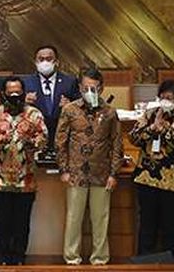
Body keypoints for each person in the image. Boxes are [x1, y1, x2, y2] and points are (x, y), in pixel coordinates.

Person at [128, 79, 174, 262]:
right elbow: (134, 138)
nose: (164, 101)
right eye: (162, 97)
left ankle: (169, 264)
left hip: (173, 183)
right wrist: (153, 128)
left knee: (170, 227)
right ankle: (144, 262)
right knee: (147, 225)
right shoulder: (150, 114)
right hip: (147, 179)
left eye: (169, 98)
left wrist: (166, 131)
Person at [56, 69, 122, 267]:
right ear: (79, 88)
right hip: (76, 173)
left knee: (100, 218)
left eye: (93, 88)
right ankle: (71, 257)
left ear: (101, 88)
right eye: (85, 88)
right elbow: (60, 141)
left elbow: (116, 144)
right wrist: (64, 169)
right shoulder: (69, 109)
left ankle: (100, 259)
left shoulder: (110, 112)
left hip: (101, 173)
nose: (89, 91)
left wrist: (113, 173)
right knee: (74, 217)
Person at [0, 75, 47, 266]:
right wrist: (1, 139)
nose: (15, 96)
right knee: (2, 222)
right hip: (0, 179)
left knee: (21, 222)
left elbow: (43, 140)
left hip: (25, 178)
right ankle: (2, 257)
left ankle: (19, 257)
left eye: (18, 92)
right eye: (11, 93)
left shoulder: (34, 114)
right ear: (3, 94)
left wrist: (31, 141)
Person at [21, 45, 80, 146]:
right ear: (36, 62)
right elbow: (14, 109)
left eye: (49, 59)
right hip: (34, 135)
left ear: (56, 62)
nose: (45, 62)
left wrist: (70, 105)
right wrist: (24, 102)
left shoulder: (70, 82)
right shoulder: (25, 82)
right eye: (41, 59)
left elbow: (80, 106)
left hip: (62, 134)